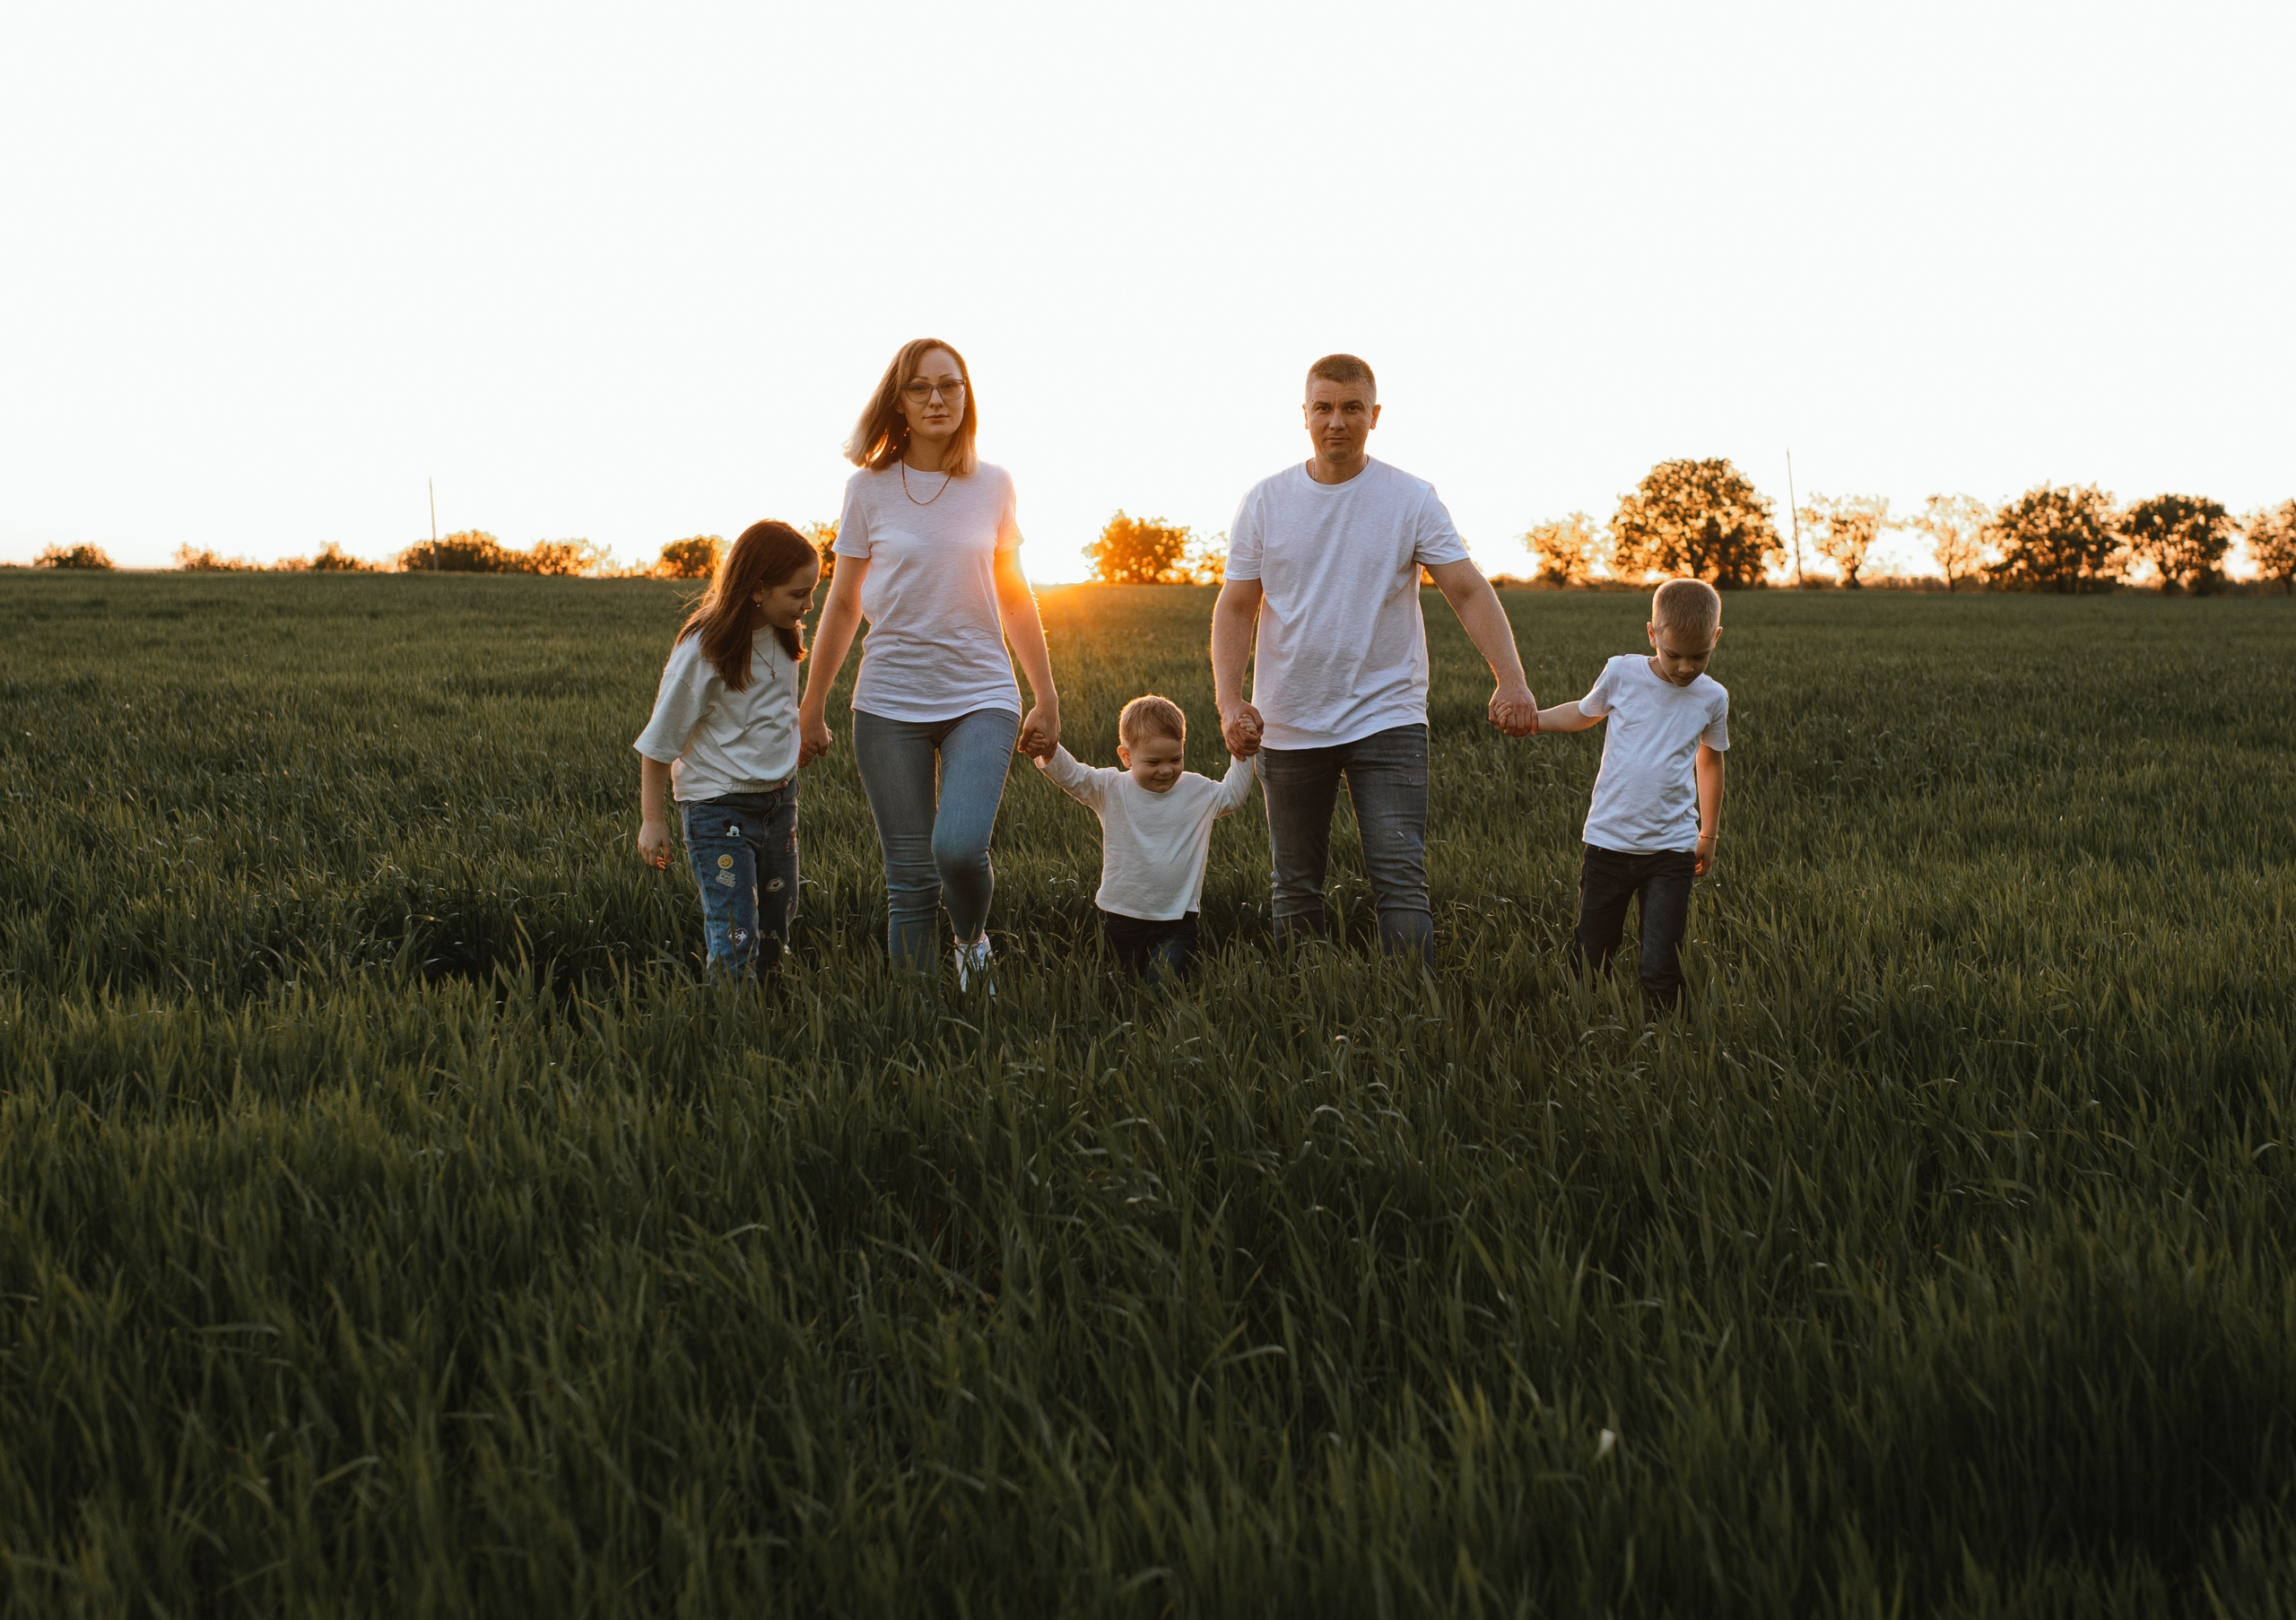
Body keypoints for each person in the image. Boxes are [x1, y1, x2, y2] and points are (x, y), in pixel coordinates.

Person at [1211, 353, 1538, 962]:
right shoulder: (1265, 501)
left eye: (1351, 408)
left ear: (1374, 415)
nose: (1337, 421)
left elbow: (1467, 589)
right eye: (1324, 408)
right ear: (1304, 414)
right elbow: (1235, 606)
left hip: (1387, 716)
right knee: (1294, 885)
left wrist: (1511, 679)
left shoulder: (1410, 498)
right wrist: (1231, 701)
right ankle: (1308, 1004)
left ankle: (1410, 1005)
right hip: (1289, 718)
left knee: (1400, 879)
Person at [797, 337, 1059, 984]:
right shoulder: (866, 489)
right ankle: (914, 1018)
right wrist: (812, 704)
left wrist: (1046, 694)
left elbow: (1015, 595)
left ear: (967, 396)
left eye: (950, 385)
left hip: (982, 694)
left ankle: (971, 944)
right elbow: (842, 604)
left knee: (960, 849)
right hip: (888, 701)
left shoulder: (994, 483)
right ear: (900, 401)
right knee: (910, 878)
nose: (936, 398)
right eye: (920, 387)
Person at [633, 520, 822, 976]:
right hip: (718, 809)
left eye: (812, 592)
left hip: (779, 802)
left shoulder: (785, 632)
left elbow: (772, 707)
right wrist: (652, 821)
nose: (809, 605)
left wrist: (800, 736)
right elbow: (659, 742)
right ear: (758, 589)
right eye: (799, 594)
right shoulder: (704, 650)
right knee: (736, 933)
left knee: (776, 924)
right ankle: (731, 1017)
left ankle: (770, 1008)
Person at [1532, 577, 1729, 1011]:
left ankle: (1670, 1036)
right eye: (1674, 654)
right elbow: (1584, 714)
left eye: (1699, 656)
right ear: (1652, 634)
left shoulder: (1713, 697)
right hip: (1609, 844)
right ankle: (1582, 1025)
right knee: (1591, 954)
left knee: (1661, 963)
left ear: (1715, 638)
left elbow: (1710, 761)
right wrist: (1535, 720)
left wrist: (1709, 835)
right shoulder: (1622, 673)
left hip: (1672, 851)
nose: (1685, 668)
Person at [1028, 694, 1258, 983]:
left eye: (1175, 759)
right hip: (1123, 916)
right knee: (1122, 986)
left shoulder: (1196, 790)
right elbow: (1074, 776)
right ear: (1126, 756)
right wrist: (1049, 750)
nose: (1166, 769)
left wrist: (1245, 748)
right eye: (1153, 762)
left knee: (1166, 984)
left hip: (1178, 920)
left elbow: (1234, 795)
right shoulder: (1111, 788)